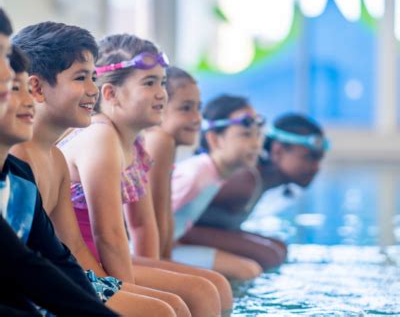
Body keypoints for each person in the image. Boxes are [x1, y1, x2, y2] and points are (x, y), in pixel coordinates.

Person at [11, 23, 179, 317]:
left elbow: (73, 246)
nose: (93, 90)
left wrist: (116, 289)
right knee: (161, 311)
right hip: (30, 293)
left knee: (169, 306)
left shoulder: (56, 160)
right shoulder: (20, 157)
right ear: (37, 87)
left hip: (59, 281)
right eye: (81, 78)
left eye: (92, 77)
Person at [58, 33, 225, 317]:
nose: (162, 93)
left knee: (213, 286)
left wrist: (158, 280)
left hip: (101, 259)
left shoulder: (134, 142)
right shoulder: (100, 136)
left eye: (162, 82)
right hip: (78, 265)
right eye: (149, 83)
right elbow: (108, 234)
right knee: (192, 296)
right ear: (110, 94)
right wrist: (137, 297)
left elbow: (143, 225)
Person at [0, 43, 117, 316]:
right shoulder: (26, 156)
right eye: (13, 89)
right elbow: (24, 265)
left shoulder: (19, 175)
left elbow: (60, 257)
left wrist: (104, 302)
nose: (27, 101)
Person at [144, 67, 263, 281]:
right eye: (246, 135)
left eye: (257, 135)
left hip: (167, 247)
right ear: (215, 140)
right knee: (245, 270)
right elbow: (147, 220)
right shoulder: (197, 173)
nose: (255, 144)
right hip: (145, 253)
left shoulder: (215, 174)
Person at [182, 113, 328, 269]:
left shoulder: (257, 180)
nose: (316, 167)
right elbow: (178, 219)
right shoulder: (245, 180)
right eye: (309, 157)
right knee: (269, 255)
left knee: (279, 248)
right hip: (172, 239)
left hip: (187, 233)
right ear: (277, 151)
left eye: (319, 159)